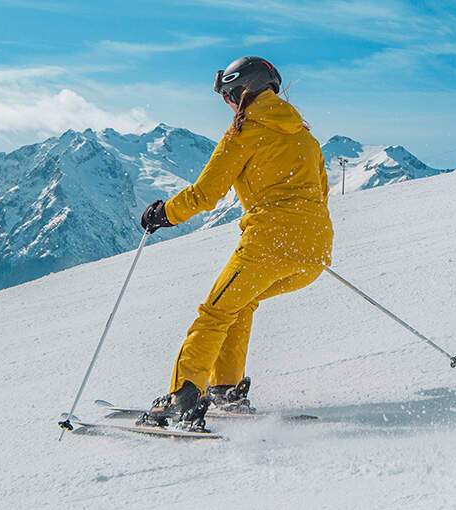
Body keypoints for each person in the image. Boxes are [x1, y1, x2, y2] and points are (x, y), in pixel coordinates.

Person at [138, 56, 334, 430]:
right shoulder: (304, 136)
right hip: (315, 251)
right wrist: (304, 240)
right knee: (241, 303)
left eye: (228, 95)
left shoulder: (245, 133)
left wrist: (165, 214)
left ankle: (182, 397)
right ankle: (226, 388)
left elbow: (204, 195)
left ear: (241, 93)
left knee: (213, 314)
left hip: (270, 243)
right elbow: (321, 194)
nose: (227, 104)